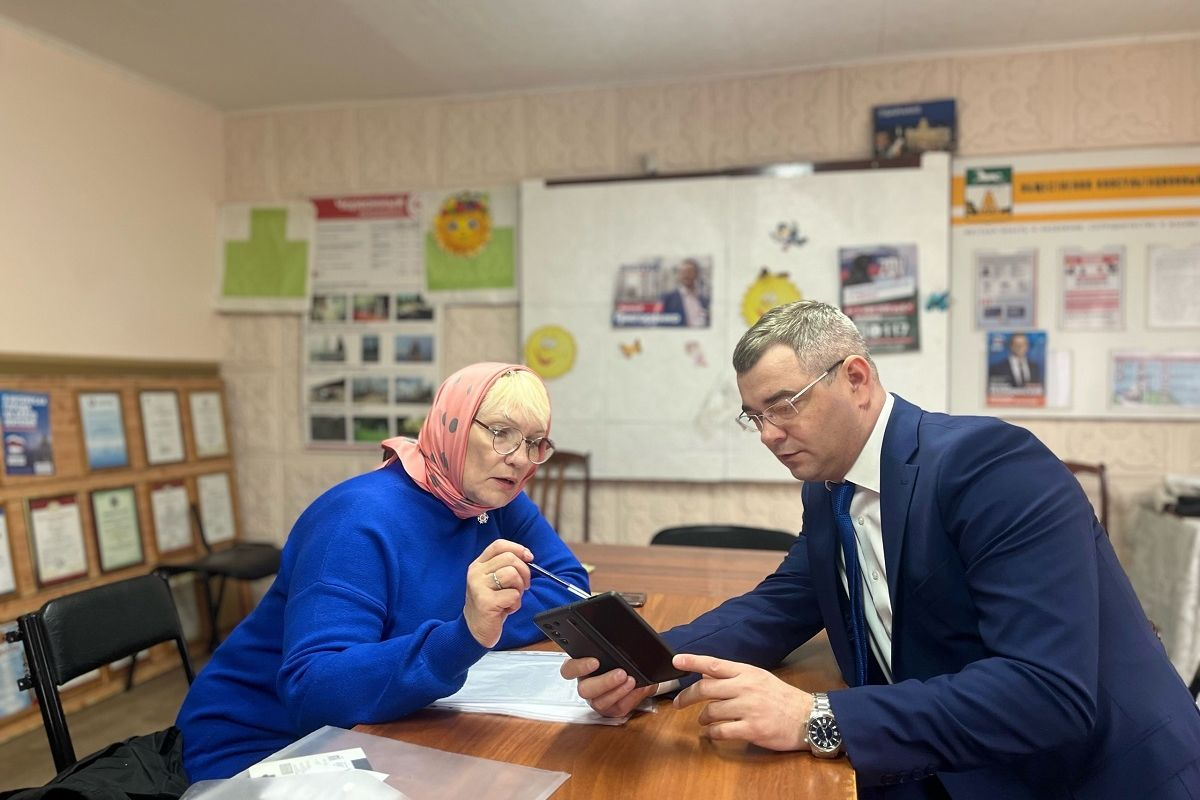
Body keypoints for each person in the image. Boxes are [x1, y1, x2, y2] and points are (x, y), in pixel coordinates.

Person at [563, 301, 1200, 798]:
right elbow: (780, 605)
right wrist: (650, 664)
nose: (768, 435)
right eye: (754, 416)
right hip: (947, 764)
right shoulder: (829, 489)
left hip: (1086, 777)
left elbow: (1045, 692)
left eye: (782, 406)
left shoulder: (990, 466)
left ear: (857, 379)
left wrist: (817, 716)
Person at [177, 362, 589, 780]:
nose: (519, 459)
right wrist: (462, 635)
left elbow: (569, 587)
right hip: (261, 746)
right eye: (501, 433)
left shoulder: (491, 499)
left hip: (380, 724)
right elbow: (313, 693)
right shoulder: (356, 519)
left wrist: (477, 629)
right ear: (454, 425)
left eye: (534, 442)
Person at [659, 258, 710, 327]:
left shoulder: (704, 300)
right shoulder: (668, 299)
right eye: (682, 272)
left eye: (689, 272)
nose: (686, 275)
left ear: (696, 274)